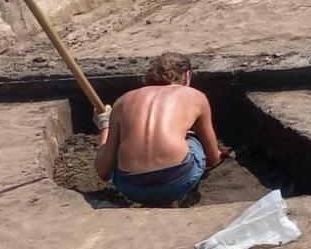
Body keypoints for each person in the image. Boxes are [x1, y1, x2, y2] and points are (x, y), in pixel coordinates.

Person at [94, 52, 228, 205]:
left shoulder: (123, 100)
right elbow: (213, 159)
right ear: (187, 75)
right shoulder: (195, 96)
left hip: (131, 187)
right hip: (175, 183)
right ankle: (176, 198)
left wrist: (106, 126)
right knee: (193, 140)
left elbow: (103, 171)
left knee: (122, 142)